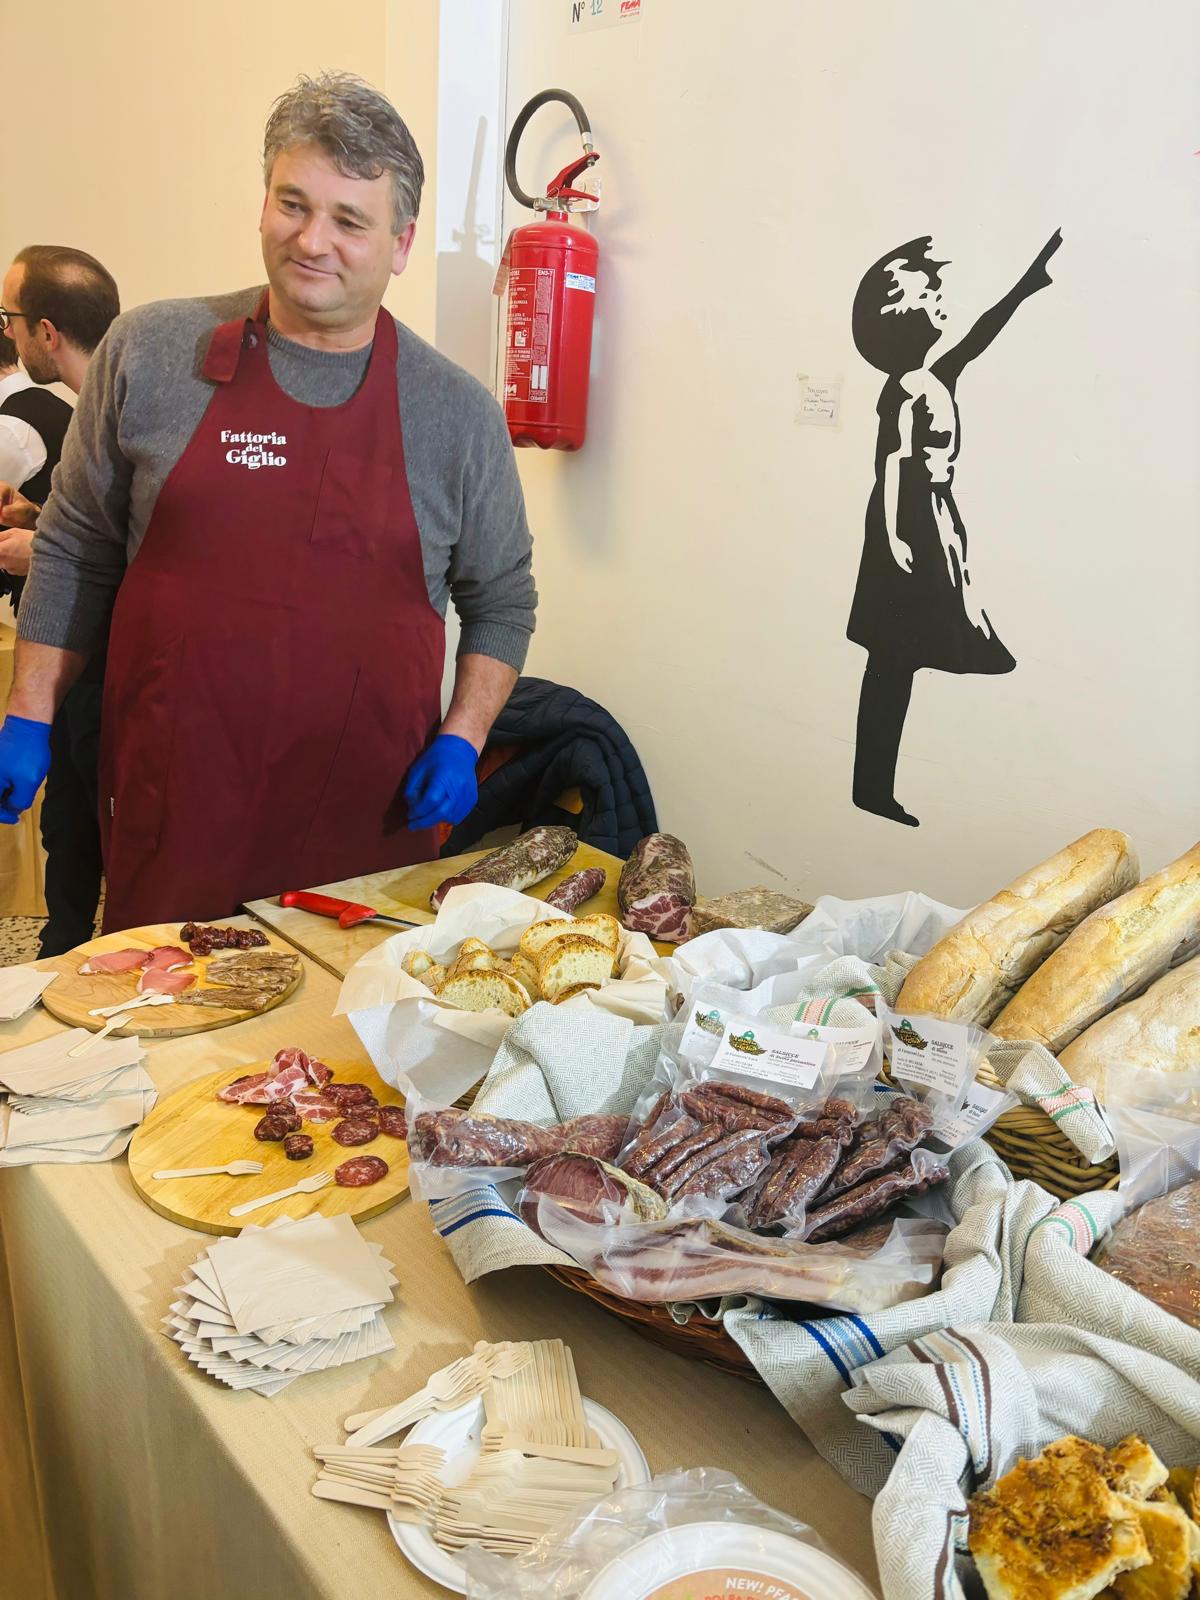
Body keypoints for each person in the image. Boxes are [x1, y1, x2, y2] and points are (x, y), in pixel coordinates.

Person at [0, 73, 537, 932]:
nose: (311, 240)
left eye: (350, 220)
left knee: (337, 1059)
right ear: (263, 203)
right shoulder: (152, 351)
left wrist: (463, 736)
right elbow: (74, 548)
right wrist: (30, 710)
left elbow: (502, 600)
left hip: (367, 820)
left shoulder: (457, 413)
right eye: (293, 203)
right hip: (176, 803)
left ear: (401, 243)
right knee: (163, 1025)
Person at [847, 230, 1062, 827]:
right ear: (906, 316)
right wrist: (893, 535)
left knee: (900, 657)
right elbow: (890, 463)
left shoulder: (938, 375)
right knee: (891, 658)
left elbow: (979, 335)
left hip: (933, 514)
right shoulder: (906, 391)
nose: (943, 301)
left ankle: (874, 786)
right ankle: (872, 787)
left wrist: (1026, 284)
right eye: (930, 295)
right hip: (907, 518)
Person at [0, 245, 121, 954]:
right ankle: (61, 952)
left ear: (47, 332)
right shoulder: (88, 413)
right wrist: (38, 521)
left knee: (102, 828)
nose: (7, 334)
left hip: (119, 674)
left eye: (10, 317)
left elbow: (151, 555)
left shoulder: (129, 415)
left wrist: (34, 550)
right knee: (68, 824)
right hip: (80, 674)